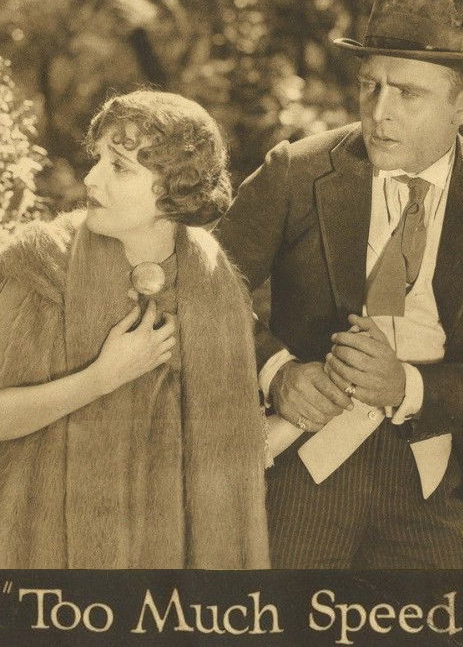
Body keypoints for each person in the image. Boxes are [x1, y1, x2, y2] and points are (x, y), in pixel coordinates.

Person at [217, 0, 463, 569]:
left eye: (408, 93)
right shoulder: (297, 172)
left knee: (451, 615)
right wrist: (276, 372)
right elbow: (201, 288)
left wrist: (410, 387)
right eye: (371, 86)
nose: (379, 112)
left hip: (428, 482)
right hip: (301, 468)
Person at [0, 90, 269, 569]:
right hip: (43, 558)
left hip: (167, 578)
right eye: (99, 158)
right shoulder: (41, 263)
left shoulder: (213, 282)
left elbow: (232, 459)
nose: (91, 178)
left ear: (174, 191)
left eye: (119, 167)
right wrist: (99, 378)